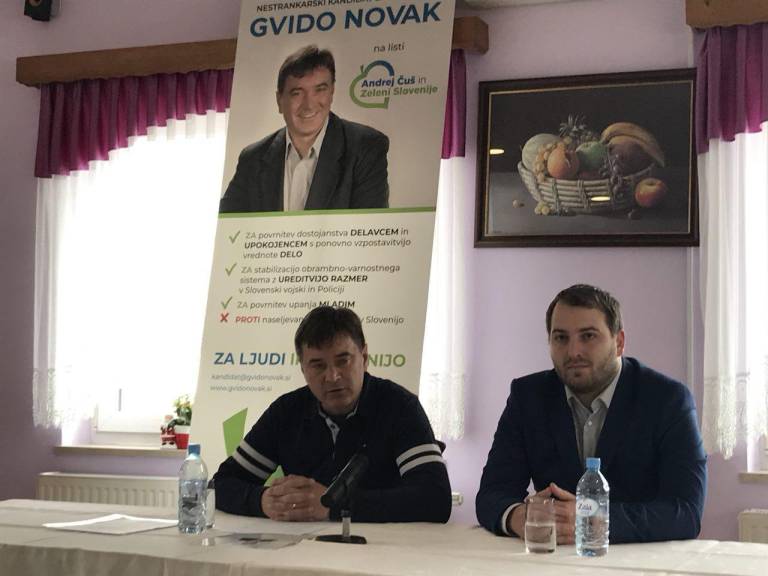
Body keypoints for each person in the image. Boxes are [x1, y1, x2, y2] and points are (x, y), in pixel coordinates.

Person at [476, 284, 706, 544]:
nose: (573, 351)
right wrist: (518, 516)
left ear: (619, 343)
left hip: (638, 558)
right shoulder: (528, 397)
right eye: (561, 338)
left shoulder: (668, 400)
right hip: (552, 557)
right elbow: (492, 493)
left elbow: (685, 512)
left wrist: (595, 520)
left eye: (588, 336)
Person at [214, 306, 451, 523]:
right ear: (303, 369)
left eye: (343, 361)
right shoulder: (287, 411)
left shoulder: (400, 406)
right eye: (318, 365)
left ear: (364, 358)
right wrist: (263, 501)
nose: (332, 376)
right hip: (302, 549)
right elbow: (219, 485)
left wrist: (333, 506)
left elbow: (435, 499)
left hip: (381, 550)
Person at [219, 45, 389, 213]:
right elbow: (228, 223)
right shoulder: (252, 158)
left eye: (320, 90)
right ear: (279, 100)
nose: (309, 105)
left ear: (332, 93)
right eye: (297, 93)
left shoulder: (366, 147)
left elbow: (369, 228)